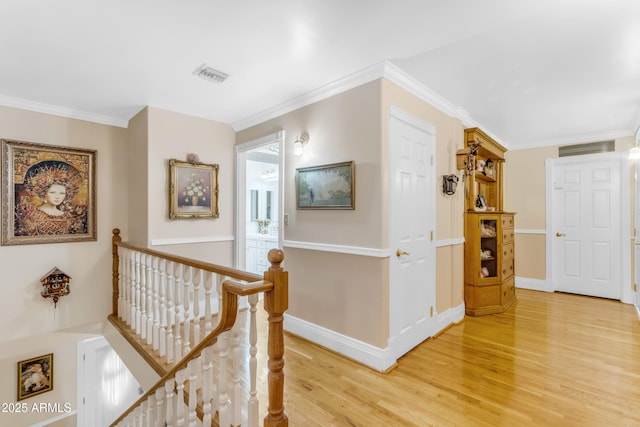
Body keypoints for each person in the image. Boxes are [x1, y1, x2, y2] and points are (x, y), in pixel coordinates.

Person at [15, 160, 86, 236]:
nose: (57, 196)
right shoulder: (31, 214)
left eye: (62, 193)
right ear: (44, 193)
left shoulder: (68, 216)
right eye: (53, 192)